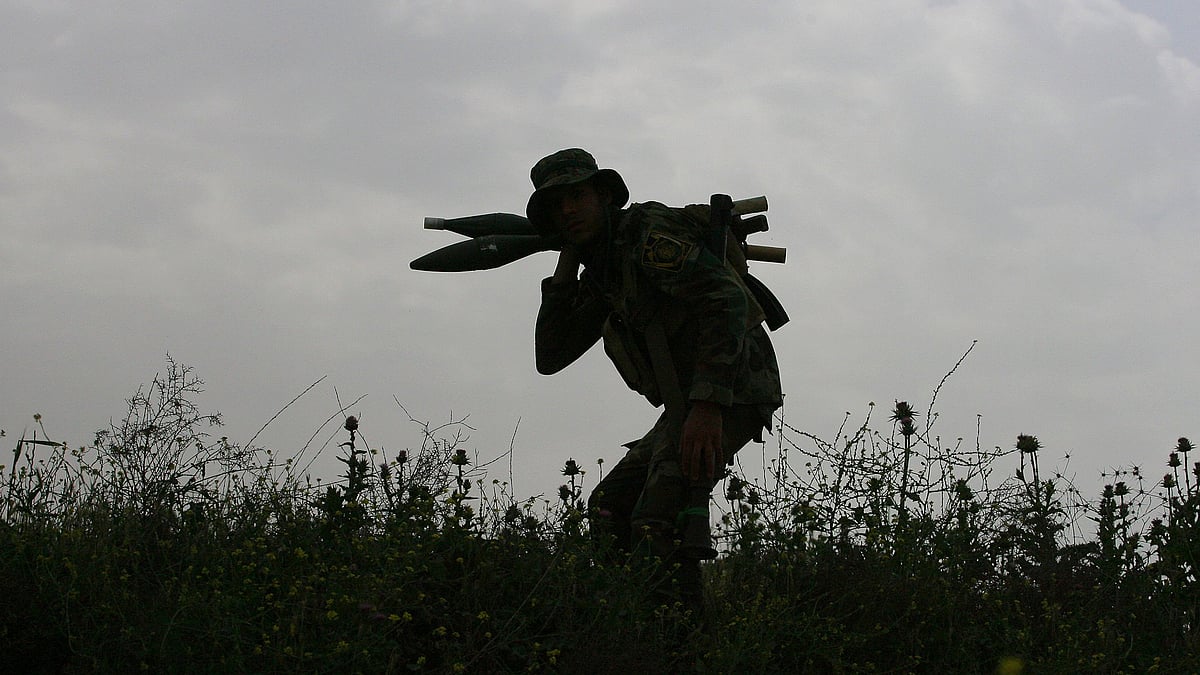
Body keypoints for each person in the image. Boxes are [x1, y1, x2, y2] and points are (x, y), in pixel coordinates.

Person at [527, 148, 784, 613]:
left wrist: (707, 407)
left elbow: (725, 299)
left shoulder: (646, 239)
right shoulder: (603, 267)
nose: (567, 210)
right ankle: (632, 626)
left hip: (735, 386)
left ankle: (683, 647)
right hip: (690, 402)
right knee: (609, 507)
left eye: (577, 196)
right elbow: (551, 356)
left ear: (604, 196)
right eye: (554, 205)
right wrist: (564, 272)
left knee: (656, 519)